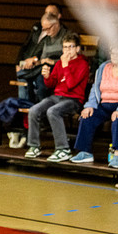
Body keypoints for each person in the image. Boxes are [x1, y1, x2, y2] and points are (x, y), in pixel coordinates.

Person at [70, 44, 118, 168]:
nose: (114, 56)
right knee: (87, 116)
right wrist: (90, 105)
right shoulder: (103, 67)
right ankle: (85, 152)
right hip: (105, 104)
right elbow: (94, 89)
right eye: (113, 53)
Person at [24, 33, 90, 162]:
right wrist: (47, 76)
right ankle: (34, 146)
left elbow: (71, 85)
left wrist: (65, 66)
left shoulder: (82, 64)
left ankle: (63, 149)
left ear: (77, 49)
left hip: (73, 99)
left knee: (53, 111)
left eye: (70, 47)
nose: (67, 51)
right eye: (65, 47)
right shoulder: (60, 63)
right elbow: (51, 84)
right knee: (34, 110)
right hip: (56, 96)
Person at [15, 11, 68, 102]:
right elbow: (37, 52)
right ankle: (27, 106)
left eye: (48, 29)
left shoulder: (66, 36)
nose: (46, 32)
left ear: (55, 24)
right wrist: (34, 59)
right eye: (44, 29)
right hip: (42, 65)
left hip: (57, 67)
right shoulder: (47, 38)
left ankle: (39, 107)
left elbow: (69, 57)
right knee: (22, 73)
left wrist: (52, 61)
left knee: (40, 79)